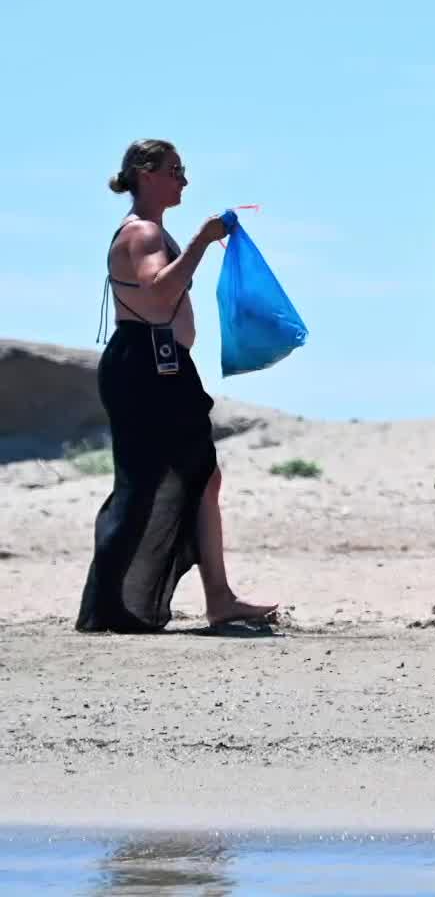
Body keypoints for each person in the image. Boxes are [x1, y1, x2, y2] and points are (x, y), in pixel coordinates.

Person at [79, 139, 277, 633]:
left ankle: (219, 597)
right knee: (144, 484)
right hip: (145, 368)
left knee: (201, 474)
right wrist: (204, 239)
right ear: (146, 174)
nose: (183, 180)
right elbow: (161, 288)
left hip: (159, 365)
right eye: (175, 170)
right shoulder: (142, 233)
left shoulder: (150, 230)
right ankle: (115, 604)